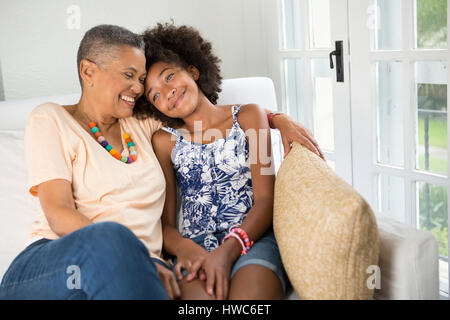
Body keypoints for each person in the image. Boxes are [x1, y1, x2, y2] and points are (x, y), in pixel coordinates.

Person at [0, 24, 322, 300]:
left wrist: (277, 119)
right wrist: (137, 256)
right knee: (112, 238)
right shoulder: (51, 119)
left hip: (139, 270)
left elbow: (205, 115)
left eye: (140, 80)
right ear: (88, 71)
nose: (138, 89)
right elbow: (58, 213)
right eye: (130, 76)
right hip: (56, 263)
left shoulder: (141, 126)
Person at [138, 23, 289, 300]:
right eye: (155, 95)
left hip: (251, 240)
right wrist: (188, 251)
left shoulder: (250, 116)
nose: (166, 92)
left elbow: (267, 199)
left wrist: (228, 250)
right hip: (195, 247)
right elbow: (166, 225)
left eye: (169, 76)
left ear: (193, 71)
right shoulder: (163, 141)